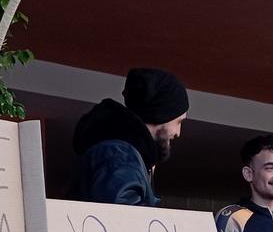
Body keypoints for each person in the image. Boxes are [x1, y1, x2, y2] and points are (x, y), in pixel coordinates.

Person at [68, 68, 189, 206]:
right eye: (179, 122)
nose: (178, 132)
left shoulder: (123, 154)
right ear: (162, 115)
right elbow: (123, 221)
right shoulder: (119, 156)